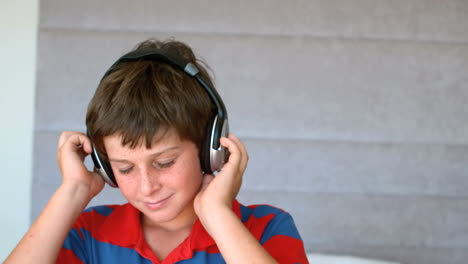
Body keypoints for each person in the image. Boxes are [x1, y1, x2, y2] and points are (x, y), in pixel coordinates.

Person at [5, 38, 309, 264]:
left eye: (164, 163)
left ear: (209, 149)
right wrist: (72, 191)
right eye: (124, 168)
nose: (147, 186)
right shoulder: (88, 234)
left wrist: (217, 215)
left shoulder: (267, 228)